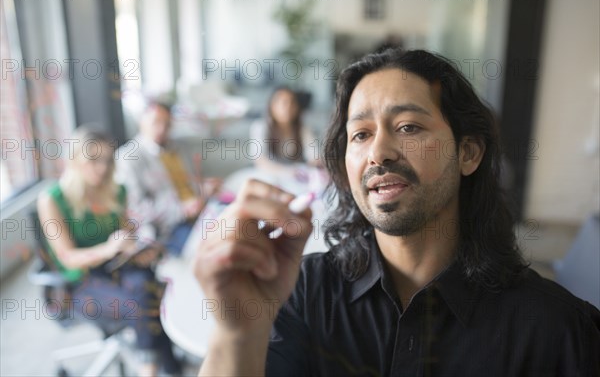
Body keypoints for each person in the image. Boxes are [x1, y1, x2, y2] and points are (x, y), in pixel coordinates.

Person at [194, 49, 600, 376]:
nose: (378, 152)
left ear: (469, 153)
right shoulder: (302, 293)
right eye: (360, 134)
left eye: (408, 127)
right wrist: (238, 333)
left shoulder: (556, 330)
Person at [37, 126, 181, 376]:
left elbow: (126, 237)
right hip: (79, 282)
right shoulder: (52, 199)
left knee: (150, 285)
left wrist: (139, 250)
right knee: (144, 301)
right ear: (75, 159)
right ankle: (159, 368)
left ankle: (158, 366)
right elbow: (68, 259)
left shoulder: (116, 191)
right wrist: (108, 248)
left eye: (106, 160)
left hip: (116, 268)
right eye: (93, 159)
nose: (102, 168)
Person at [116, 99, 220, 256]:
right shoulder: (128, 158)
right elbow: (136, 208)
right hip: (171, 226)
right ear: (141, 121)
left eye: (167, 124)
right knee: (218, 245)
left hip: (203, 210)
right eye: (156, 122)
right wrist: (182, 210)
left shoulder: (180, 147)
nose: (162, 128)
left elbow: (193, 180)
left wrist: (204, 187)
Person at [250, 86, 320, 173]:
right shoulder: (260, 127)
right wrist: (287, 172)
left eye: (292, 103)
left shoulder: (303, 129)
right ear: (272, 106)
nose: (288, 107)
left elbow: (314, 156)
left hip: (296, 179)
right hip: (268, 174)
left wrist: (315, 165)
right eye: (283, 102)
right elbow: (260, 160)